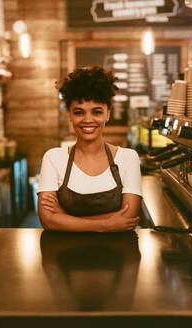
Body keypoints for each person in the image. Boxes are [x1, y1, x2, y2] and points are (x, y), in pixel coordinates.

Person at [37, 65, 142, 232]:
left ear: (108, 114)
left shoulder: (128, 158)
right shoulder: (53, 158)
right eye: (79, 112)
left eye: (97, 112)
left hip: (116, 256)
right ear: (69, 115)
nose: (88, 119)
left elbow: (128, 218)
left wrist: (64, 218)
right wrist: (107, 224)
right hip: (66, 256)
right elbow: (48, 221)